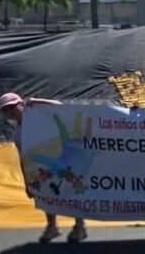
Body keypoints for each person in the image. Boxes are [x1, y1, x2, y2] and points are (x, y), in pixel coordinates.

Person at [7, 96, 90, 244]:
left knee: (72, 190)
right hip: (43, 167)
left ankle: (80, 226)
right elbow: (22, 159)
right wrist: (26, 182)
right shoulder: (18, 134)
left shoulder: (40, 116)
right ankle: (52, 227)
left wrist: (37, 100)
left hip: (64, 159)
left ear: (21, 104)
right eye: (5, 110)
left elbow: (61, 107)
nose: (10, 111)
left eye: (12, 107)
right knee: (46, 193)